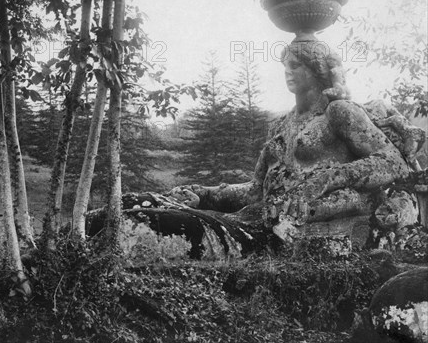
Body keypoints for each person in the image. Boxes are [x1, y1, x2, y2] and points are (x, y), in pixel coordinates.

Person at [170, 39, 423, 244]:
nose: (287, 73)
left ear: (317, 71)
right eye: (285, 67)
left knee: (179, 228)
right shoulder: (280, 125)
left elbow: (393, 163)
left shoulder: (338, 113)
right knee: (169, 215)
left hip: (302, 225)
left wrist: (329, 178)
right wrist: (204, 194)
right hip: (259, 218)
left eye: (295, 66)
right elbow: (255, 191)